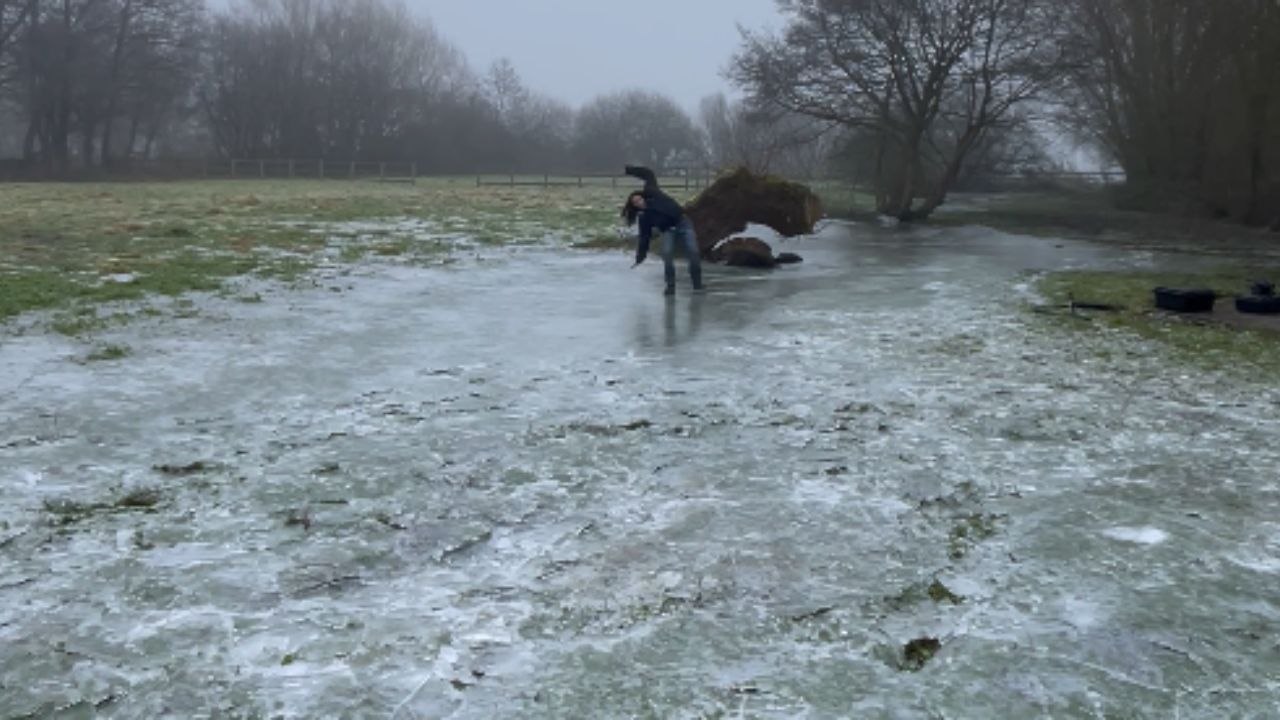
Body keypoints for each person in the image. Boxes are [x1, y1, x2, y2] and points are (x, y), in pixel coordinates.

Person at [621, 164, 703, 295]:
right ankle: (670, 286)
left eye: (638, 199)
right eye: (635, 203)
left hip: (683, 222)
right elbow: (644, 237)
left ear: (642, 196)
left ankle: (697, 285)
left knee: (693, 251)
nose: (638, 202)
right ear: (635, 207)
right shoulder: (644, 218)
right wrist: (640, 256)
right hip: (667, 230)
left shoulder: (652, 192)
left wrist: (629, 170)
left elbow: (649, 174)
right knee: (667, 254)